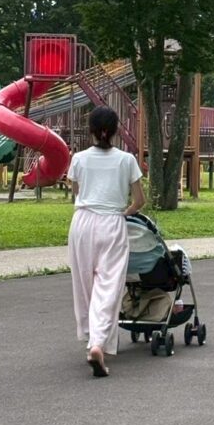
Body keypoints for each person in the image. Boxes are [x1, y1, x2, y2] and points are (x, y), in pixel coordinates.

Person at [67, 106, 145, 377]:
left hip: (82, 222)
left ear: (91, 129)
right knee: (109, 286)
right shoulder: (127, 160)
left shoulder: (78, 159)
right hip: (112, 223)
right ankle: (98, 343)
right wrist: (125, 212)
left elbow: (77, 192)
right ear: (115, 131)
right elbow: (139, 200)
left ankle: (91, 337)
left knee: (84, 285)